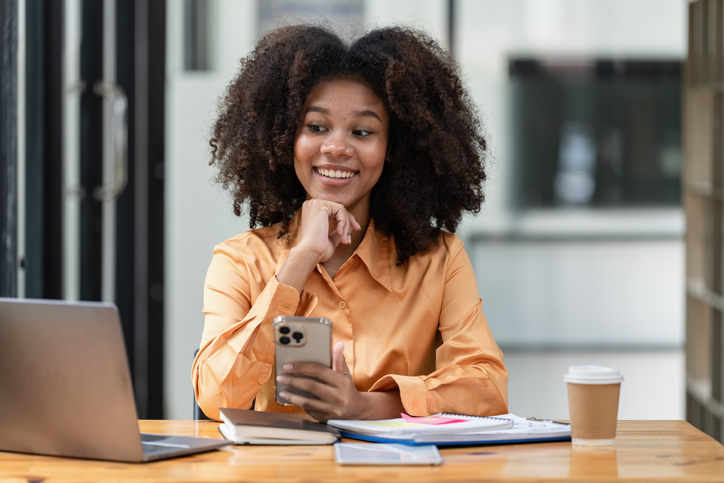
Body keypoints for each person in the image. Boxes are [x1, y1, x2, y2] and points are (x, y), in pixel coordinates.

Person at [192, 24, 508, 423]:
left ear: (391, 148)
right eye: (316, 127)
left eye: (362, 131)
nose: (337, 148)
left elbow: (487, 386)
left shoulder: (440, 260)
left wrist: (367, 406)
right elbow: (215, 397)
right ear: (285, 137)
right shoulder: (239, 261)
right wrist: (299, 261)